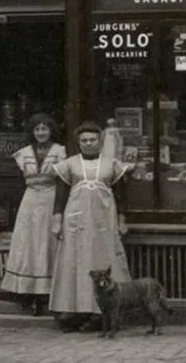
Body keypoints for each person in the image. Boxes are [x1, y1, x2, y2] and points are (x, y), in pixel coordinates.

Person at [49, 121, 131, 332]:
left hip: (104, 223)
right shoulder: (69, 165)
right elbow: (60, 196)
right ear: (78, 143)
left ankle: (100, 314)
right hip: (76, 223)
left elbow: (121, 197)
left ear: (100, 141)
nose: (88, 143)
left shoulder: (112, 164)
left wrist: (122, 221)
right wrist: (57, 221)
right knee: (74, 264)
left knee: (104, 261)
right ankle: (73, 312)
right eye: (84, 140)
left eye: (92, 140)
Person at [0, 113, 67, 316]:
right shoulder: (23, 153)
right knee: (27, 244)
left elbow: (64, 180)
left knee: (47, 243)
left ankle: (47, 294)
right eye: (37, 129)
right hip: (30, 200)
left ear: (51, 131)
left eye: (44, 129)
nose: (40, 133)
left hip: (50, 197)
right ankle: (26, 293)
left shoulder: (60, 151)